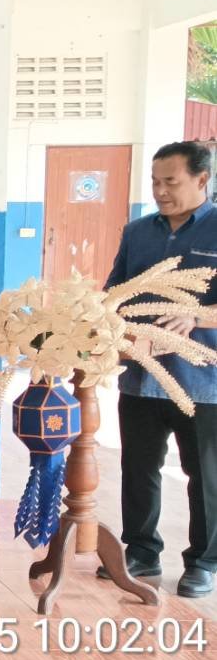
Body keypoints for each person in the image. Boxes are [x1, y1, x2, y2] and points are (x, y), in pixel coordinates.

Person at [101, 141, 217, 598]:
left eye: (171, 182)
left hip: (203, 383)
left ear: (201, 180)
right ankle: (142, 552)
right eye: (155, 182)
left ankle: (204, 561)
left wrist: (197, 316)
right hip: (142, 377)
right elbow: (115, 293)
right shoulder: (138, 233)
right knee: (139, 468)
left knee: (204, 475)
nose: (161, 191)